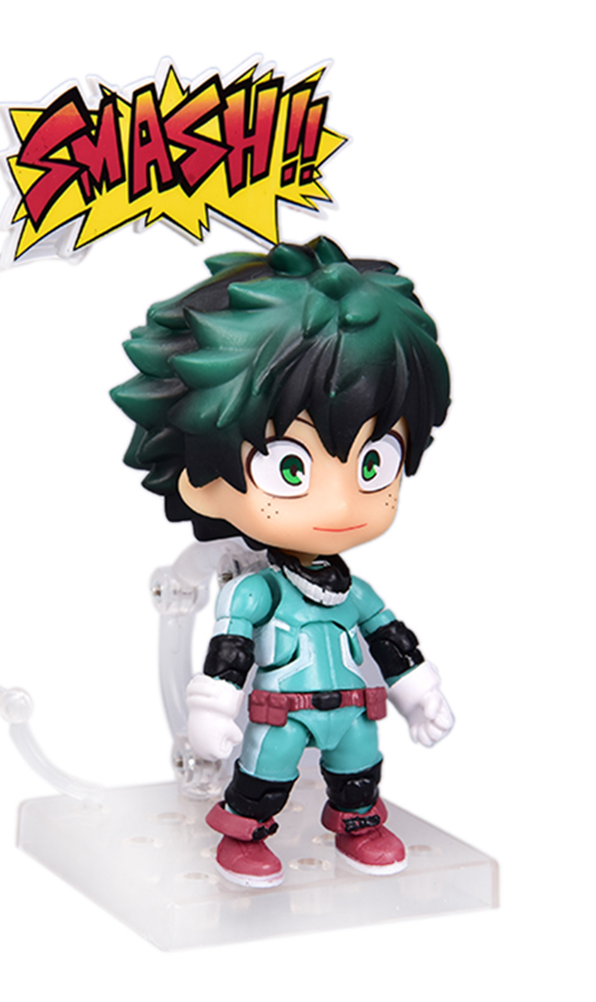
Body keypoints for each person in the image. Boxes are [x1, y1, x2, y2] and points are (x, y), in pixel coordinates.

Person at [111, 236, 455, 887]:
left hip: (353, 709)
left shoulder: (353, 590)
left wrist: (419, 692)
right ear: (199, 476)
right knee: (264, 777)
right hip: (280, 713)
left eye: (373, 462)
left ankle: (359, 824)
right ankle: (243, 837)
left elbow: (390, 639)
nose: (342, 503)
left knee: (359, 769)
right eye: (290, 468)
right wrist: (211, 711)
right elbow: (229, 653)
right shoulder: (256, 591)